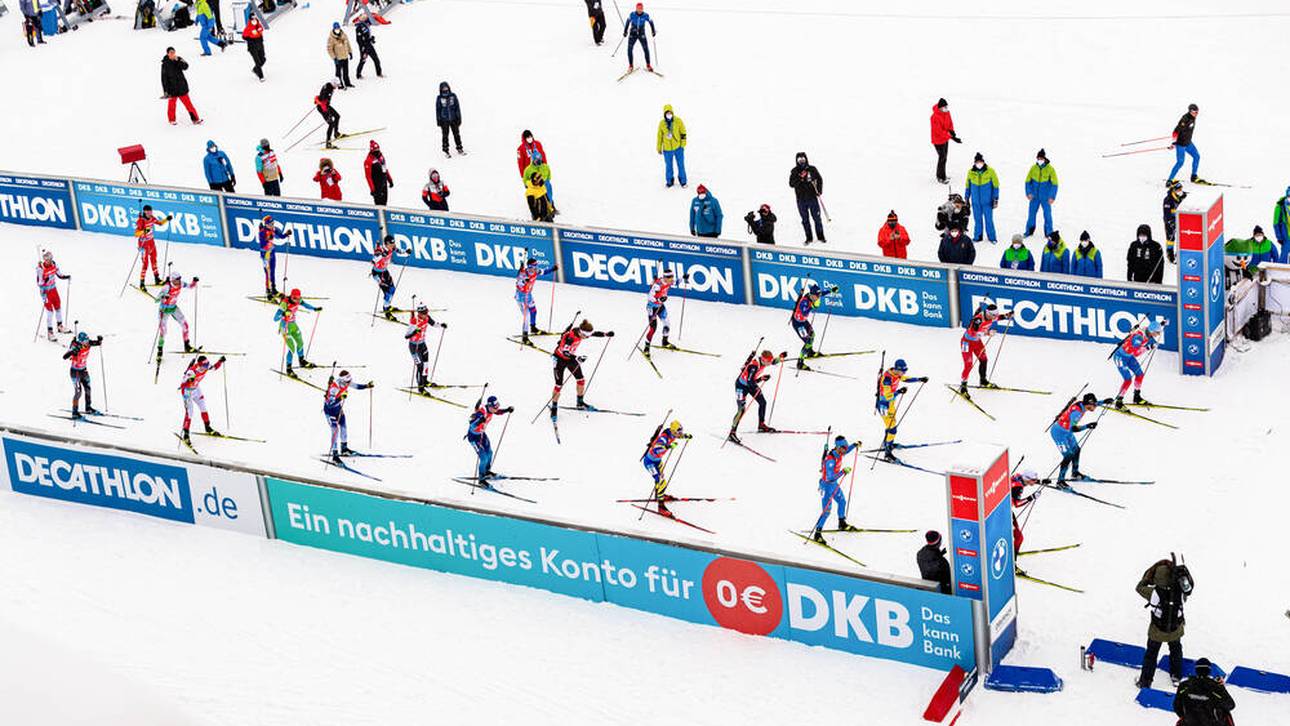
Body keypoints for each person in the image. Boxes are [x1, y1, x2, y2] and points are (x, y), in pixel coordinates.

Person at [1135, 557, 1194, 688]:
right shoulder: (1181, 592)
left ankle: (1145, 681)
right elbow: (1188, 586)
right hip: (1176, 628)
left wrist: (1148, 577)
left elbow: (1139, 587)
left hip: (1157, 629)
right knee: (1176, 650)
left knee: (1151, 653)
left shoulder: (1154, 593)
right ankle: (1176, 676)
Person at [549, 320, 614, 418]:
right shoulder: (570, 337)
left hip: (570, 359)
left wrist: (606, 334)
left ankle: (580, 403)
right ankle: (554, 407)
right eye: (586, 336)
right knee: (559, 385)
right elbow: (565, 352)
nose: (587, 337)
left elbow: (594, 333)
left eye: (588, 335)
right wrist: (577, 358)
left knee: (581, 380)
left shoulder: (582, 332)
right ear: (580, 332)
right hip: (559, 360)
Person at [727, 349, 787, 443]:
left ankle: (761, 425)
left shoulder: (764, 361)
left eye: (769, 361)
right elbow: (750, 382)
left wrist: (780, 357)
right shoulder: (754, 366)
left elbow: (773, 361)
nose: (769, 363)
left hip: (751, 384)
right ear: (763, 360)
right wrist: (761, 379)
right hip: (741, 386)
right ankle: (732, 433)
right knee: (741, 410)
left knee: (763, 402)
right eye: (768, 362)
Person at [811, 435, 860, 543]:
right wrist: (843, 471)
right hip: (826, 486)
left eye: (846, 446)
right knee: (826, 512)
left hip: (834, 485)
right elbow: (829, 477)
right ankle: (817, 534)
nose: (846, 449)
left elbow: (847, 451)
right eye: (844, 447)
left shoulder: (840, 452)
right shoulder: (830, 460)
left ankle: (842, 523)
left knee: (842, 501)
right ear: (838, 447)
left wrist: (854, 445)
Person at [875, 358, 927, 459]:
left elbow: (905, 379)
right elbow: (887, 396)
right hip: (884, 405)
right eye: (903, 371)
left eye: (905, 371)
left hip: (890, 405)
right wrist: (899, 392)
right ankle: (887, 452)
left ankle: (887, 442)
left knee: (891, 423)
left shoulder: (897, 374)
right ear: (898, 369)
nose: (904, 373)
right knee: (892, 429)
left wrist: (919, 379)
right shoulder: (887, 379)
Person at [958, 303, 1012, 395]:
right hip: (967, 342)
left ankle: (983, 380)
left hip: (977, 342)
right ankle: (963, 386)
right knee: (968, 364)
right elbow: (973, 332)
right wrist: (988, 333)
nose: (994, 318)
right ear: (988, 313)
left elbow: (999, 317)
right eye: (993, 316)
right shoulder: (978, 320)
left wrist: (1008, 315)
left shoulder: (991, 316)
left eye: (995, 315)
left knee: (984, 360)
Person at [1049, 393, 1103, 484]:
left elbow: (1095, 403)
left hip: (1067, 431)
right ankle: (1060, 481)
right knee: (1068, 456)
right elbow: (1073, 429)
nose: (1095, 406)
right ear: (1089, 404)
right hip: (1059, 433)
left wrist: (1104, 401)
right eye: (1094, 405)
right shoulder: (1076, 413)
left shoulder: (1083, 405)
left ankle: (1075, 473)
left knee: (1076, 450)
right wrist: (1087, 426)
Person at [642, 420, 692, 515]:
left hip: (658, 461)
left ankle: (659, 495)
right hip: (650, 462)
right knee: (662, 482)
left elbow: (678, 435)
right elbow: (656, 449)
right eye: (678, 432)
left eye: (680, 431)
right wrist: (668, 446)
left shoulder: (672, 433)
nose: (679, 434)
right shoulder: (663, 439)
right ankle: (661, 507)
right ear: (673, 431)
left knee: (660, 479)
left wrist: (686, 436)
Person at [323, 371, 373, 464]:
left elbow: (356, 386)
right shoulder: (334, 387)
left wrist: (367, 386)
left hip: (338, 409)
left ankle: (344, 448)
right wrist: (341, 398)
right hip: (330, 411)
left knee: (343, 427)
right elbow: (330, 404)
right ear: (342, 381)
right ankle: (335, 456)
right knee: (335, 431)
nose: (349, 383)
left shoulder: (346, 382)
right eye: (347, 382)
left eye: (350, 380)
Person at [1112, 319, 1162, 408]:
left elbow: (1153, 327)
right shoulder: (1138, 338)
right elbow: (1136, 353)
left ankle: (1136, 397)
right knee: (1128, 380)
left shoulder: (1147, 331)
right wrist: (1148, 347)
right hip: (1121, 358)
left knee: (1140, 374)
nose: (1157, 335)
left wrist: (1162, 323)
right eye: (1157, 333)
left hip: (1129, 356)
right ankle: (1118, 402)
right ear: (1152, 331)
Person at [467, 395, 514, 483]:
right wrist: (480, 420)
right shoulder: (482, 412)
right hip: (473, 437)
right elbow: (471, 424)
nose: (496, 409)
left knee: (489, 453)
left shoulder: (492, 410)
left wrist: (507, 410)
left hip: (481, 434)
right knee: (483, 458)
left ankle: (486, 471)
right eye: (495, 407)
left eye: (497, 406)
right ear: (489, 406)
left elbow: (498, 412)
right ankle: (481, 478)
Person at [178, 354, 225, 441]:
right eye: (204, 366)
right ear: (199, 365)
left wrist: (220, 361)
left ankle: (208, 427)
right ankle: (186, 435)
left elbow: (214, 367)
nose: (206, 367)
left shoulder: (206, 366)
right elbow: (182, 385)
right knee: (190, 412)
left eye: (207, 365)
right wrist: (189, 381)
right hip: (187, 392)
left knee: (203, 408)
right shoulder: (191, 372)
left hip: (196, 389)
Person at [1174, 658, 1235, 725]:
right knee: (1226, 714)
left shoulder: (1184, 686)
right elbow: (1231, 705)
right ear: (1209, 670)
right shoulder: (1215, 687)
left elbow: (1177, 707)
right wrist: (1222, 687)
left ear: (1196, 670)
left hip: (1189, 723)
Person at [154, 271, 198, 363]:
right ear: (172, 279)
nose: (179, 281)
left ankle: (187, 345)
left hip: (173, 308)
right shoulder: (167, 287)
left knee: (185, 325)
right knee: (163, 331)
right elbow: (157, 299)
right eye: (177, 279)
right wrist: (163, 297)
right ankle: (159, 351)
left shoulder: (181, 284)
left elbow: (190, 286)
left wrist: (194, 282)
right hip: (164, 310)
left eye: (180, 278)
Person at [275, 289, 320, 375]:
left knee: (300, 343)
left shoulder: (298, 300)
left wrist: (314, 309)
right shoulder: (284, 304)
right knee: (291, 348)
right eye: (294, 298)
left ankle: (302, 361)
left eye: (298, 298)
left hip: (293, 325)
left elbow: (305, 305)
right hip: (285, 326)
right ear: (291, 296)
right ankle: (289, 368)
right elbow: (275, 318)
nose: (296, 300)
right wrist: (284, 314)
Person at [514, 255, 558, 344]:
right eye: (533, 267)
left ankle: (533, 328)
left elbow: (543, 272)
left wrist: (553, 269)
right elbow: (519, 283)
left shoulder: (536, 271)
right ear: (529, 267)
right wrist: (524, 281)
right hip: (522, 297)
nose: (535, 268)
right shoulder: (523, 274)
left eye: (536, 266)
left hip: (529, 295)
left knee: (534, 311)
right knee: (527, 316)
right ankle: (525, 337)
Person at [790, 282, 836, 366]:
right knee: (808, 342)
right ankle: (800, 362)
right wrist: (813, 307)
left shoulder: (814, 296)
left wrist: (832, 290)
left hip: (803, 321)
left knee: (812, 335)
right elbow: (804, 312)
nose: (818, 297)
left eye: (818, 296)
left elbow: (822, 293)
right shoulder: (804, 301)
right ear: (812, 295)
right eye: (817, 296)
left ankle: (809, 352)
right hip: (798, 324)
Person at [405, 302, 446, 390]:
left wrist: (441, 325)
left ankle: (425, 381)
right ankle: (421, 387)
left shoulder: (427, 317)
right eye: (423, 313)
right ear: (419, 313)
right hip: (414, 347)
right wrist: (414, 332)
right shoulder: (414, 321)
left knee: (426, 364)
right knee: (420, 367)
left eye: (426, 312)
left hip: (422, 344)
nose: (425, 315)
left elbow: (434, 324)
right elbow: (406, 336)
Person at [62, 332, 104, 418]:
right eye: (85, 341)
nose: (87, 342)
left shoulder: (88, 344)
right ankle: (75, 412)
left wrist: (99, 341)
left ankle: (88, 408)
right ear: (80, 341)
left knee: (88, 389)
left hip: (84, 371)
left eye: (87, 340)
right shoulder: (75, 345)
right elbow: (65, 356)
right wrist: (73, 351)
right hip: (75, 372)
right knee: (78, 392)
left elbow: (96, 343)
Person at [788, 151, 826, 244]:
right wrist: (800, 178)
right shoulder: (794, 171)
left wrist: (819, 190)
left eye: (803, 159)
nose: (801, 161)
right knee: (805, 220)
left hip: (812, 198)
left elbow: (820, 179)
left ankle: (821, 237)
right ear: (797, 160)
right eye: (799, 159)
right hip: (801, 199)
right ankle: (809, 238)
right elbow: (791, 184)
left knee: (817, 218)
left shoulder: (812, 169)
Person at [642, 269, 681, 354]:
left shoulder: (669, 281)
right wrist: (659, 299)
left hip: (660, 306)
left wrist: (683, 278)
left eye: (672, 277)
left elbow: (676, 283)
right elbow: (650, 297)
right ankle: (646, 348)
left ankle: (665, 342)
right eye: (670, 277)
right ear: (665, 277)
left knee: (667, 324)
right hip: (652, 308)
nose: (672, 279)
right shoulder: (657, 285)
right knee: (653, 328)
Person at [36, 251, 71, 341]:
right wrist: (45, 279)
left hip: (53, 289)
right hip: (45, 291)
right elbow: (39, 283)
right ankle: (50, 332)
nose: (50, 261)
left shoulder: (54, 264)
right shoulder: (40, 269)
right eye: (48, 260)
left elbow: (59, 274)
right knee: (50, 312)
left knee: (58, 307)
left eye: (51, 259)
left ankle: (60, 326)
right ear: (45, 260)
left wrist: (65, 277)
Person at [161, 47, 201, 126]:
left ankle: (195, 119)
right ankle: (172, 120)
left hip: (182, 87)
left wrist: (178, 60)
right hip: (172, 90)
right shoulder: (165, 64)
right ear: (167, 53)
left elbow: (186, 66)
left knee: (189, 105)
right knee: (171, 106)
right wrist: (165, 91)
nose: (172, 54)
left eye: (173, 52)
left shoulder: (179, 59)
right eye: (170, 52)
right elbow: (163, 78)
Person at [965, 152, 999, 243]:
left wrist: (995, 198)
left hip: (987, 202)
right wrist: (966, 198)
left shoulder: (990, 171)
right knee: (977, 220)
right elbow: (968, 186)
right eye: (977, 162)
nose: (979, 164)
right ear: (975, 163)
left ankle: (992, 237)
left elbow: (996, 186)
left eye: (980, 162)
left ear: (983, 162)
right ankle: (978, 237)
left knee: (989, 220)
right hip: (976, 202)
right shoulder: (970, 172)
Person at [1024, 148, 1059, 237]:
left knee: (1047, 215)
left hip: (1046, 197)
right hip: (1034, 197)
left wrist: (1052, 196)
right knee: (1031, 215)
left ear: (1044, 159)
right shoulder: (1033, 168)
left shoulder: (1050, 169)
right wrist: (1029, 193)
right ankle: (1029, 231)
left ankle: (1049, 233)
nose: (1040, 160)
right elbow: (1028, 181)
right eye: (1038, 159)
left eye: (1041, 159)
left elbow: (1055, 184)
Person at [134, 205, 170, 288]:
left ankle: (157, 278)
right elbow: (136, 234)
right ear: (145, 211)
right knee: (145, 263)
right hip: (143, 243)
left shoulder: (152, 218)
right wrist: (144, 231)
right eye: (149, 211)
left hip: (151, 242)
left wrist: (167, 219)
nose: (151, 213)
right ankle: (142, 283)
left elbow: (160, 223)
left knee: (154, 259)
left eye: (151, 211)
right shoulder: (141, 221)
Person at [256, 214, 291, 299]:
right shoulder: (262, 232)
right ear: (266, 224)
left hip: (272, 252)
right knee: (267, 272)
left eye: (273, 223)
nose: (272, 225)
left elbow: (281, 236)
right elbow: (263, 244)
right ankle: (268, 291)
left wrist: (286, 234)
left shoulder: (274, 229)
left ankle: (273, 289)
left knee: (272, 271)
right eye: (270, 224)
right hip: (265, 254)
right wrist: (268, 238)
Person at [929, 99, 961, 184]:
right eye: (944, 107)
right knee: (942, 158)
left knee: (944, 157)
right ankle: (940, 177)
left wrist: (952, 132)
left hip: (945, 139)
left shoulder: (947, 113)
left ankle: (943, 174)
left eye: (947, 107)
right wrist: (951, 137)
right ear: (940, 108)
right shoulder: (934, 117)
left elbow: (950, 123)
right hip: (938, 140)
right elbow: (938, 131)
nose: (946, 108)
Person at [1168, 104, 1201, 183]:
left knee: (1197, 156)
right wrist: (1173, 143)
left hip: (1188, 143)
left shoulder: (1193, 118)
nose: (1196, 114)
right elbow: (1176, 131)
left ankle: (1193, 176)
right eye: (1194, 112)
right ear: (1190, 111)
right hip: (1181, 144)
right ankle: (1169, 180)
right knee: (1180, 162)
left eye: (1197, 112)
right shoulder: (1185, 119)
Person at [370, 235, 401, 318]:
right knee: (387, 293)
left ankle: (388, 306)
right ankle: (386, 311)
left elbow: (399, 251)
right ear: (387, 244)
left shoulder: (392, 247)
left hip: (385, 272)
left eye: (394, 243)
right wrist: (381, 255)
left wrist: (406, 252)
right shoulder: (380, 250)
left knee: (392, 289)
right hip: (377, 274)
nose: (393, 245)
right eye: (391, 244)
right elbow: (373, 261)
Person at [1009, 471, 1040, 555]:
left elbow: (1029, 481)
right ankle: (1013, 561)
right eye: (1034, 480)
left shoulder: (1017, 476)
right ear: (1027, 479)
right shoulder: (1018, 487)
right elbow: (1017, 504)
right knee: (1019, 538)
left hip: (1004, 510)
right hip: (1006, 514)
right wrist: (1032, 497)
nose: (1035, 481)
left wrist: (1041, 481)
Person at [656, 104, 687, 188]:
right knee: (668, 166)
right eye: (667, 113)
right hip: (667, 149)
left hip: (678, 148)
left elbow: (683, 132)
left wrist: (683, 144)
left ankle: (683, 181)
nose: (669, 114)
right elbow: (659, 136)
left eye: (670, 113)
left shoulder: (678, 121)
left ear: (672, 112)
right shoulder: (662, 124)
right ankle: (669, 181)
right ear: (664, 114)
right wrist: (659, 147)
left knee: (681, 165)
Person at [623, 2, 656, 72]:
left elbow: (651, 22)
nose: (639, 10)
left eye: (641, 9)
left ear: (642, 9)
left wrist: (653, 31)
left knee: (646, 49)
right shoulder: (632, 14)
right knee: (629, 49)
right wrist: (625, 31)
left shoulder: (645, 15)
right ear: (636, 8)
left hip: (641, 34)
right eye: (638, 9)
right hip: (633, 33)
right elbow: (627, 22)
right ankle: (631, 65)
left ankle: (648, 65)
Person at [522, 150, 557, 214]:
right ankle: (537, 214)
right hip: (535, 187)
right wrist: (530, 184)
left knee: (548, 197)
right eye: (536, 160)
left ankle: (551, 208)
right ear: (533, 160)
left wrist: (546, 182)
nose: (538, 161)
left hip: (545, 185)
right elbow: (525, 179)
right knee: (537, 201)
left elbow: (549, 176)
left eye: (539, 159)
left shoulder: (546, 167)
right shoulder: (528, 169)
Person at [436, 81, 465, 157]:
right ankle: (445, 150)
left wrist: (459, 117)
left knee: (456, 134)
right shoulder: (439, 98)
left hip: (454, 119)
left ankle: (459, 148)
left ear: (448, 87)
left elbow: (457, 107)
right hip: (444, 120)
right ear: (441, 89)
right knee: (445, 135)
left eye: (446, 87)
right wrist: (439, 120)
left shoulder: (453, 96)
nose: (445, 88)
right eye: (443, 87)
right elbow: (438, 109)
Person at [1162, 179, 1187, 265]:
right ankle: (1170, 255)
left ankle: (1181, 252)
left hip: (1182, 220)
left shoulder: (1184, 196)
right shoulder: (1168, 200)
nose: (1180, 191)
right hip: (1171, 222)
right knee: (1170, 238)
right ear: (1173, 190)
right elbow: (1167, 214)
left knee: (1183, 237)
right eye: (1178, 190)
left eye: (1181, 189)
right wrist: (1171, 222)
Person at [363, 140, 394, 206]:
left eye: (378, 149)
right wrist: (372, 189)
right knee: (379, 204)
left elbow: (385, 168)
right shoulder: (368, 161)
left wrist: (390, 180)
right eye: (375, 150)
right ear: (372, 150)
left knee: (385, 202)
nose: (377, 151)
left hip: (384, 182)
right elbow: (368, 176)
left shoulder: (381, 157)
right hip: (376, 185)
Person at [327, 22, 354, 89]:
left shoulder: (344, 35)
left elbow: (348, 44)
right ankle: (339, 84)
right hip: (338, 58)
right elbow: (329, 49)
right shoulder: (331, 38)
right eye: (336, 29)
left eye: (338, 28)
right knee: (338, 73)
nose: (337, 30)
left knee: (346, 71)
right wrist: (334, 58)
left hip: (345, 56)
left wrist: (350, 52)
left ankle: (347, 83)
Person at [314, 82, 342, 148]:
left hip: (326, 106)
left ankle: (336, 134)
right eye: (336, 85)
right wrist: (328, 114)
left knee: (337, 116)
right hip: (323, 108)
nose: (337, 87)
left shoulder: (328, 86)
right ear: (334, 84)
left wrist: (317, 99)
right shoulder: (328, 90)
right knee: (331, 124)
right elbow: (323, 103)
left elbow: (320, 96)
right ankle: (328, 143)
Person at [242, 14, 267, 80]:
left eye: (255, 18)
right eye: (252, 18)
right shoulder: (248, 28)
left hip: (260, 44)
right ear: (250, 19)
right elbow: (244, 36)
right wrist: (250, 40)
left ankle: (255, 70)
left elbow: (261, 32)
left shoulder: (259, 25)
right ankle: (261, 76)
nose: (254, 20)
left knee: (263, 59)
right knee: (257, 62)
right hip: (252, 47)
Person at [1271, 186, 1290, 264]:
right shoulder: (1280, 206)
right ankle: (1280, 270)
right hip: (1286, 236)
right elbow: (1276, 223)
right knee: (1284, 255)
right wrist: (1279, 237)